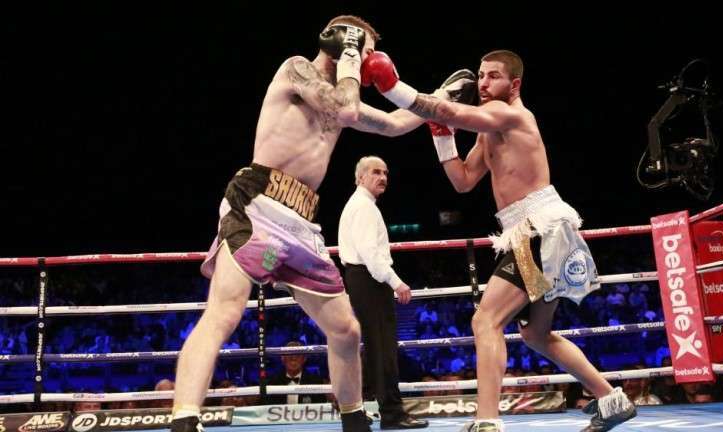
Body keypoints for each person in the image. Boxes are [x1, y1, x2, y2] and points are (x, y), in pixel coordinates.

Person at [169, 15, 428, 432]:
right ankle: (184, 419)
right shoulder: (296, 69)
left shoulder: (346, 99)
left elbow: (397, 125)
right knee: (225, 311)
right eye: (364, 51)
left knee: (344, 329)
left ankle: (354, 419)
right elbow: (343, 107)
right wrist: (348, 61)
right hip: (258, 206)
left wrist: (444, 100)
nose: (369, 61)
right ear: (343, 42)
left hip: (301, 225)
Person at [362, 49, 637, 431]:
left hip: (541, 229)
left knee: (486, 320)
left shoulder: (513, 115)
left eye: (494, 76)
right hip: (523, 233)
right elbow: (462, 181)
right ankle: (612, 399)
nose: (484, 83)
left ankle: (487, 422)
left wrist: (395, 88)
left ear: (515, 84)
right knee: (536, 334)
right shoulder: (488, 131)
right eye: (481, 75)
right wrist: (442, 138)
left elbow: (452, 112)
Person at [338, 156, 428, 429]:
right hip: (368, 278)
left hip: (362, 279)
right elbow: (370, 254)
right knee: (383, 348)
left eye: (386, 172)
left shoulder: (361, 205)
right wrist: (396, 282)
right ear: (360, 177)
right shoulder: (364, 207)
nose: (383, 177)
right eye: (376, 172)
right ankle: (392, 413)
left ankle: (368, 409)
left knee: (377, 348)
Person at [263, 341, 326, 405]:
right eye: (289, 354)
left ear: (304, 359)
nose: (293, 358)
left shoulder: (315, 381)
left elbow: (320, 408)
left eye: (297, 354)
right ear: (283, 358)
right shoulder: (272, 382)